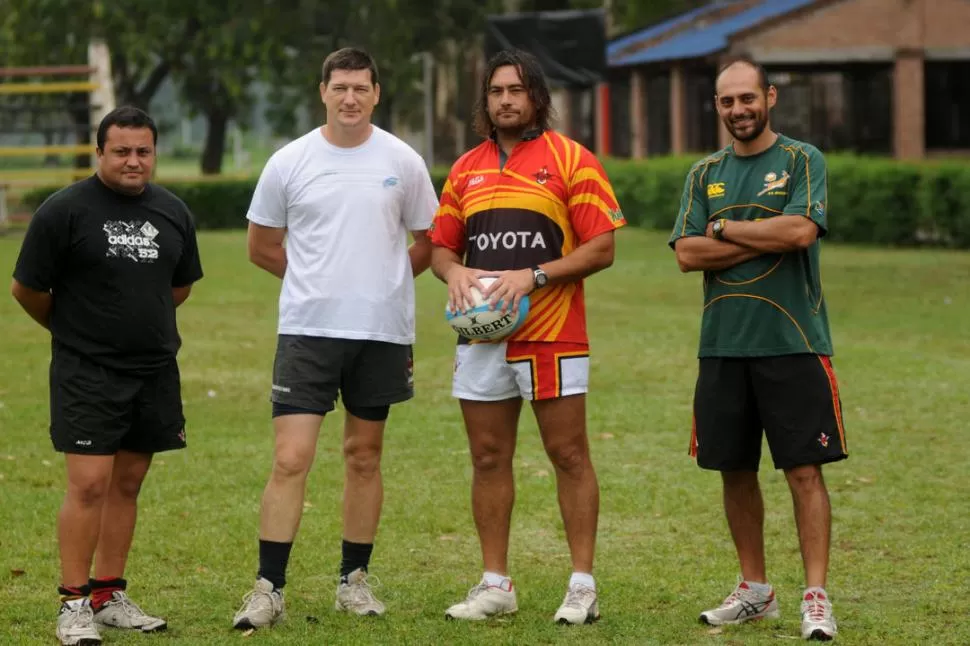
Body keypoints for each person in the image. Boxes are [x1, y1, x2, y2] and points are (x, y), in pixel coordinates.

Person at [231, 47, 437, 630]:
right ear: (322, 90)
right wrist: (317, 283)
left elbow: (428, 238)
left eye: (361, 88)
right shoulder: (290, 161)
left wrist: (384, 283)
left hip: (381, 334)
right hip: (307, 333)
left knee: (364, 457)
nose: (350, 97)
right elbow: (262, 246)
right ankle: (268, 588)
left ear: (377, 93)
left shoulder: (403, 159)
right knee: (291, 458)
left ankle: (353, 580)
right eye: (340, 86)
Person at [429, 48, 626, 626]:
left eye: (516, 90)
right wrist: (456, 271)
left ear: (537, 97)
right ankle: (496, 584)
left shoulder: (573, 160)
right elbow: (441, 247)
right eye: (496, 91)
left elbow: (602, 247)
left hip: (554, 334)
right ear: (485, 102)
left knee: (568, 455)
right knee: (488, 457)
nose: (506, 100)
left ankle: (582, 585)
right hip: (481, 339)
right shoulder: (465, 168)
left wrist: (533, 276)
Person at [10, 105, 204, 646]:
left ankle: (108, 595)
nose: (133, 161)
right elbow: (26, 288)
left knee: (127, 482)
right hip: (87, 372)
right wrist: (75, 331)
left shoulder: (172, 211)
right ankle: (73, 604)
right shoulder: (64, 211)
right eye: (121, 151)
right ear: (99, 153)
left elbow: (180, 285)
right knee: (89, 484)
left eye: (143, 151)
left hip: (153, 369)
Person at [669, 56, 844, 642]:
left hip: (793, 342)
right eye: (727, 102)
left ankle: (815, 597)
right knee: (734, 471)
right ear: (716, 107)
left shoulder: (801, 160)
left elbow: (800, 233)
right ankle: (755, 591)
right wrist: (756, 236)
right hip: (722, 346)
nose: (739, 110)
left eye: (748, 98)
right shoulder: (704, 174)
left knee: (803, 472)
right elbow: (686, 254)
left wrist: (722, 229)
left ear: (769, 97)